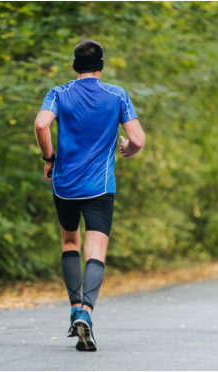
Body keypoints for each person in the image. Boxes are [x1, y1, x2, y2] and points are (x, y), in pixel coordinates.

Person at [34, 40, 145, 351]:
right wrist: (128, 149)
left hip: (64, 185)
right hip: (99, 187)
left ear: (74, 66)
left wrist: (49, 158)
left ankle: (73, 309)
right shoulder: (116, 95)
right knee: (96, 249)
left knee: (70, 241)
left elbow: (42, 123)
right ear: (102, 65)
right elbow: (137, 139)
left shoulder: (59, 93)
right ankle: (86, 311)